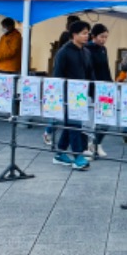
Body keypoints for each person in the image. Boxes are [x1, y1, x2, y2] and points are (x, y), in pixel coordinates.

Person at [52, 20, 94, 171]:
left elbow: (90, 74)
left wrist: (92, 92)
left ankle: (59, 153)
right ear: (74, 35)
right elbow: (57, 76)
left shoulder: (86, 52)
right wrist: (61, 96)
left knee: (73, 124)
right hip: (68, 94)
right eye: (83, 33)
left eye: (87, 33)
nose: (86, 36)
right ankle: (78, 156)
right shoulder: (63, 52)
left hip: (81, 94)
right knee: (75, 124)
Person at [44, 14, 82, 145]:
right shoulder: (66, 44)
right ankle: (49, 133)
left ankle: (58, 142)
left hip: (70, 82)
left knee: (65, 114)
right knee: (62, 112)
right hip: (65, 81)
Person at [85, 23, 112, 158]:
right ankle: (91, 144)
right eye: (101, 36)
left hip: (105, 88)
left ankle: (97, 143)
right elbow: (89, 70)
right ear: (94, 36)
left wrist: (111, 84)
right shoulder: (86, 49)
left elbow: (106, 69)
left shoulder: (103, 50)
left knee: (106, 118)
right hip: (92, 88)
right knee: (91, 120)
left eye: (106, 37)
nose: (103, 40)